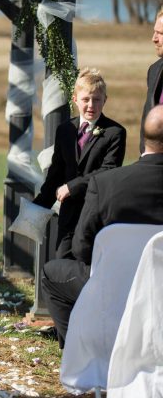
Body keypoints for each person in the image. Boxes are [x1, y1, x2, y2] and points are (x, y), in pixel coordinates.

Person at [42, 105, 163, 347]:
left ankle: (80, 349)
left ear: (144, 137)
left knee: (51, 273)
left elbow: (81, 248)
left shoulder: (106, 184)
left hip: (114, 284)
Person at [32, 68, 125, 259]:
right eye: (86, 99)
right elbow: (56, 172)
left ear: (104, 100)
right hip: (69, 214)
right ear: (75, 99)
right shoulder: (65, 130)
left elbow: (108, 170)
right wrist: (38, 206)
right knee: (62, 262)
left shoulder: (114, 132)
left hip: (97, 212)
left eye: (97, 99)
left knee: (89, 265)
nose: (91, 105)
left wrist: (72, 187)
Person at [141, 5, 163, 154]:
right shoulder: (154, 70)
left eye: (160, 33)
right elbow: (146, 118)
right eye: (154, 32)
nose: (154, 39)